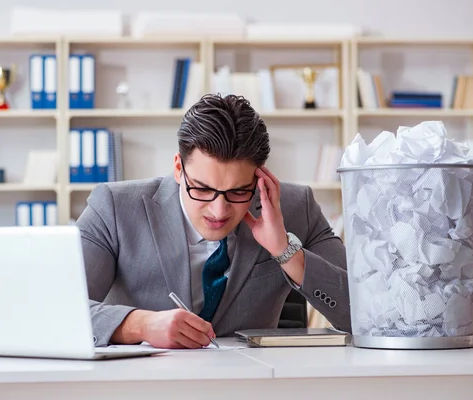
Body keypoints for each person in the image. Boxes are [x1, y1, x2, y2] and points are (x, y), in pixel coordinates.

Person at [76, 93, 350, 349]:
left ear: (259, 179)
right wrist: (140, 325)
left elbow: (370, 316)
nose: (219, 211)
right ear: (178, 168)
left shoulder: (294, 208)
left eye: (238, 191)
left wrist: (286, 251)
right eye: (202, 189)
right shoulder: (114, 207)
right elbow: (51, 310)